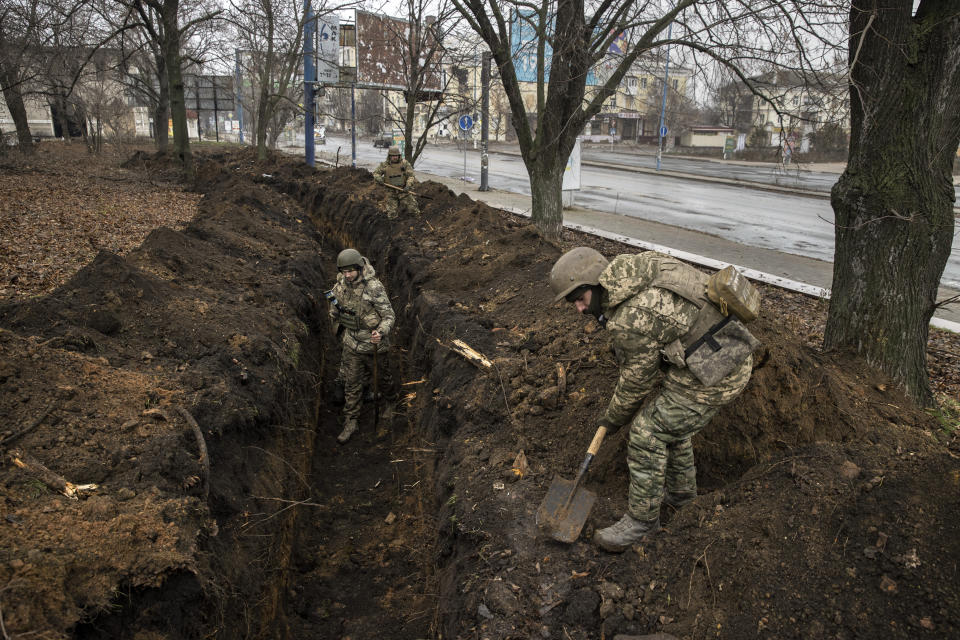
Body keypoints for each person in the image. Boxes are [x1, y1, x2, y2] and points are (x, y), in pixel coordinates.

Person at [549, 247, 755, 552]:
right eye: (572, 302)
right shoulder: (635, 268)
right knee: (669, 422)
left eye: (580, 299)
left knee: (647, 432)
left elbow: (637, 381)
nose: (578, 309)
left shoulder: (630, 317)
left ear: (594, 283)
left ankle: (642, 522)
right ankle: (683, 499)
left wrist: (612, 419)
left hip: (720, 368)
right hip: (720, 347)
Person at [328, 248, 396, 443]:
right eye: (344, 271)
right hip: (351, 344)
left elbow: (389, 315)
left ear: (359, 268)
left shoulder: (373, 287)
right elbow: (334, 309)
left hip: (373, 345)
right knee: (352, 383)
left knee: (383, 378)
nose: (347, 275)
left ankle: (391, 403)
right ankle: (351, 420)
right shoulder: (340, 286)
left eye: (350, 271)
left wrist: (380, 331)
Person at [373, 145, 420, 218]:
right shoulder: (384, 165)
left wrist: (408, 185)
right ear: (389, 156)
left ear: (399, 155)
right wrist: (379, 179)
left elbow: (411, 176)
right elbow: (375, 173)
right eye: (393, 156)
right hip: (391, 192)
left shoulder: (405, 164)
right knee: (392, 214)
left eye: (396, 155)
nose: (395, 157)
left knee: (413, 210)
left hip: (403, 191)